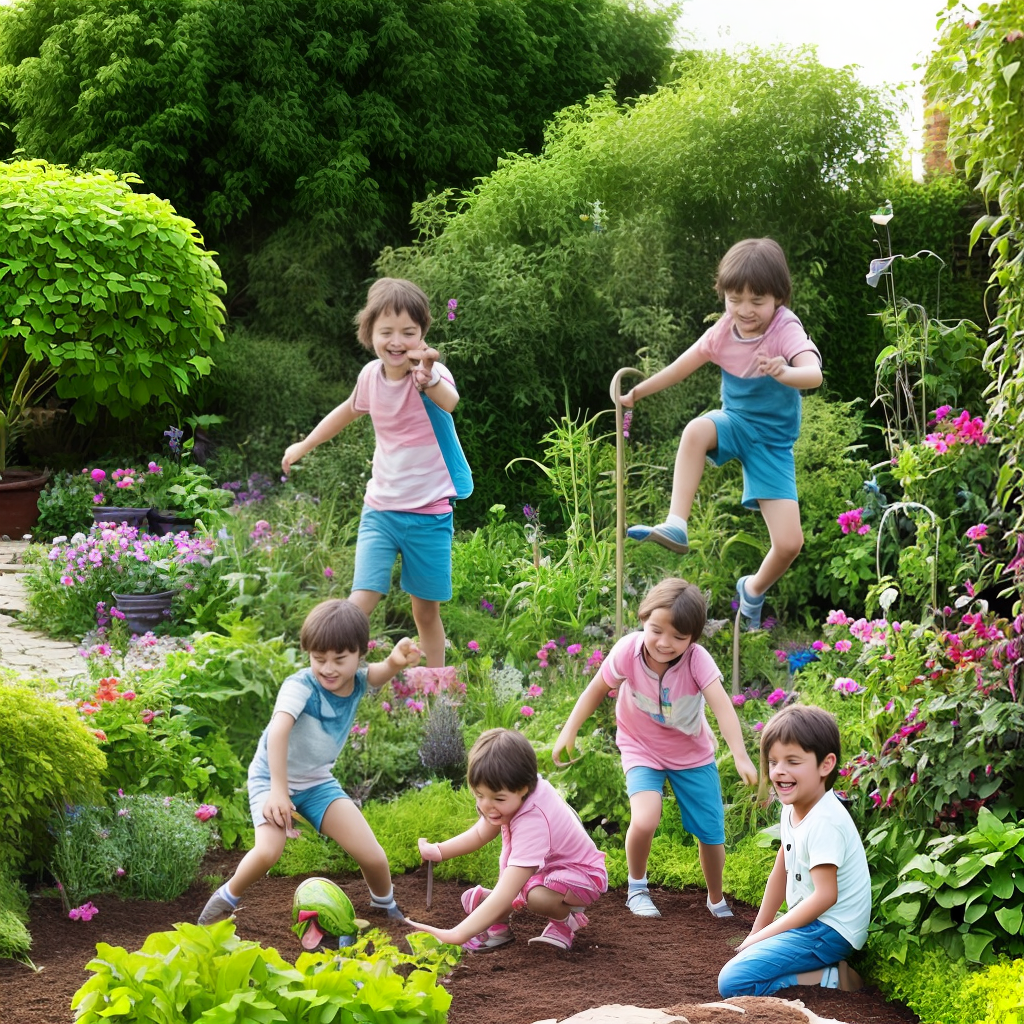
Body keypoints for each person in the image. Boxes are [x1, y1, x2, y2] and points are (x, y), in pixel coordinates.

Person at [622, 238, 823, 628]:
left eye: (757, 301)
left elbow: (813, 374)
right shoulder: (723, 331)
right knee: (697, 429)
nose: (745, 310)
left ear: (779, 297)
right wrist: (638, 392)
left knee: (788, 544)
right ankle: (676, 524)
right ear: (724, 296)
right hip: (735, 423)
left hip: (772, 444)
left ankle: (752, 589)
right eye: (735, 299)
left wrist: (785, 372)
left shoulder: (785, 328)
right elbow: (684, 364)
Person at [198, 598, 423, 926]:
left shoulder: (358, 679)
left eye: (339, 659)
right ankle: (224, 900)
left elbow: (377, 675)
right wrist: (278, 791)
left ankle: (384, 908)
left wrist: (395, 660)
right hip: (271, 779)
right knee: (267, 852)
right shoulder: (300, 686)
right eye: (319, 659)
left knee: (372, 855)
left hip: (317, 783)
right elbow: (278, 732)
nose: (328, 668)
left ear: (360, 655)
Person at [281, 277, 469, 666]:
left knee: (425, 613)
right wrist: (304, 445)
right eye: (387, 331)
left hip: (429, 515)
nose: (397, 341)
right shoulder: (370, 376)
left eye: (408, 332)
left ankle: (435, 689)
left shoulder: (431, 374)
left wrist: (428, 377)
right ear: (370, 333)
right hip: (380, 510)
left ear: (422, 336)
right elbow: (348, 411)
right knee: (359, 601)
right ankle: (334, 674)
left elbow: (449, 401)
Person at [552, 577, 758, 920]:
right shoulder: (628, 652)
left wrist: (739, 754)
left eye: (679, 637)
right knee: (646, 818)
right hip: (640, 745)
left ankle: (716, 898)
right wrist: (569, 730)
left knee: (711, 833)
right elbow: (595, 689)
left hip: (692, 755)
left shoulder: (696, 661)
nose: (665, 643)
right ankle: (637, 888)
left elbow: (722, 706)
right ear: (643, 618)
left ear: (692, 638)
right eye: (656, 630)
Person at [405, 728, 608, 952]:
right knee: (521, 888)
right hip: (548, 871)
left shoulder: (533, 818)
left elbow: (507, 890)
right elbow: (483, 831)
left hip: (582, 876)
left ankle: (565, 922)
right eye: (479, 795)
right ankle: (498, 923)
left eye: (497, 798)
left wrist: (457, 934)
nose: (485, 805)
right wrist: (440, 851)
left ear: (522, 789)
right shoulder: (510, 795)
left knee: (535, 897)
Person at [718, 704, 870, 997]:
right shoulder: (792, 808)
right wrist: (756, 934)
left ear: (825, 765)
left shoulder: (825, 821)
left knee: (733, 982)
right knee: (745, 960)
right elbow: (781, 869)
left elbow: (826, 896)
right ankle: (813, 967)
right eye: (773, 762)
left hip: (830, 931)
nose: (779, 772)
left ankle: (826, 976)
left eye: (792, 761)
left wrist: (764, 936)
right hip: (812, 922)